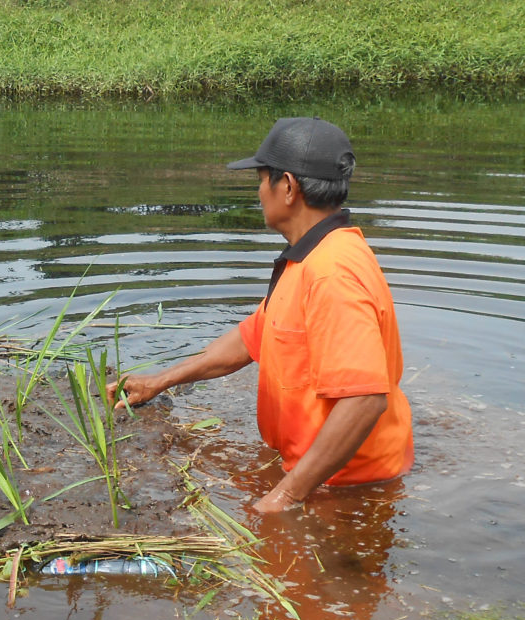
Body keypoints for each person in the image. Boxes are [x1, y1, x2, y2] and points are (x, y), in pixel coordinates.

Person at [111, 117, 413, 512]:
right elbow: (248, 341)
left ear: (287, 187)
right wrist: (160, 381)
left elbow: (364, 400)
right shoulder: (309, 257)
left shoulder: (332, 271)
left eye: (261, 179)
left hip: (350, 489)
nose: (258, 192)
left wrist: (284, 497)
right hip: (317, 477)